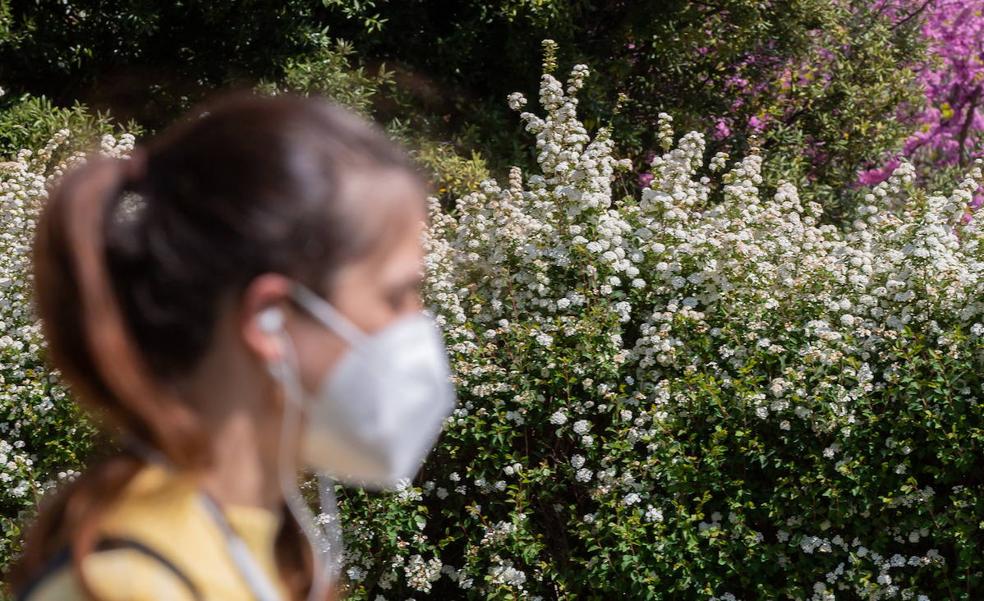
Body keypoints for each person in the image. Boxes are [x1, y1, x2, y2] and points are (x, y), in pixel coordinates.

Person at [7, 92, 458, 601]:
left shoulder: (261, 552)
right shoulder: (130, 587)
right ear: (269, 320)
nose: (419, 325)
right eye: (396, 295)